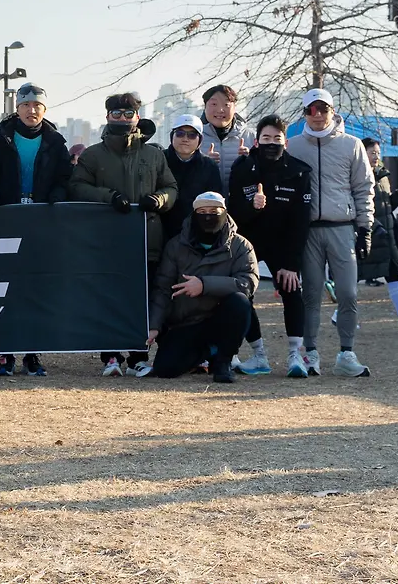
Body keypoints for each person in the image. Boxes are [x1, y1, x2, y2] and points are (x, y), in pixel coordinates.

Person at [71, 92, 178, 377]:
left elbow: (171, 188)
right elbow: (77, 187)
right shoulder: (93, 155)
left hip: (147, 240)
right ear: (107, 116)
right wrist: (108, 197)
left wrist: (159, 199)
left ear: (137, 117)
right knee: (109, 299)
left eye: (128, 114)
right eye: (116, 114)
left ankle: (139, 356)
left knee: (143, 300)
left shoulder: (153, 154)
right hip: (108, 240)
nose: (122, 118)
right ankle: (110, 356)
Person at [286, 88, 375, 377]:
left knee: (348, 293)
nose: (317, 115)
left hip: (342, 227)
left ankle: (346, 353)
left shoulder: (352, 145)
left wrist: (365, 227)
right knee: (311, 294)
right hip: (308, 231)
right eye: (311, 110)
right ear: (304, 114)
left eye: (323, 109)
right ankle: (310, 352)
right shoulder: (292, 146)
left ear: (332, 111)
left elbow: (364, 188)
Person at [0, 84, 69, 377]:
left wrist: (57, 195)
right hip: (7, 219)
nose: (31, 110)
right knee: (6, 289)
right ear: (17, 109)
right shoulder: (2, 140)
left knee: (35, 288)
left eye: (37, 106)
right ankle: (5, 354)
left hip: (40, 220)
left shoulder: (56, 142)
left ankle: (33, 354)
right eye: (26, 105)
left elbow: (64, 177)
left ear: (44, 110)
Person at [226, 114, 313, 377]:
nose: (271, 143)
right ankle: (258, 354)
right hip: (249, 242)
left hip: (283, 244)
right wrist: (252, 206)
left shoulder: (299, 171)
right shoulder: (243, 167)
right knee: (242, 295)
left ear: (286, 142)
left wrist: (291, 264)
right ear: (257, 141)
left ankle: (295, 355)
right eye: (266, 138)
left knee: (291, 289)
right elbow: (233, 213)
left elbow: (301, 221)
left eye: (277, 138)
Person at [147, 192, 258, 383]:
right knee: (165, 369)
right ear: (194, 215)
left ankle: (223, 360)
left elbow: (247, 283)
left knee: (240, 302)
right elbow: (162, 288)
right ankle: (209, 352)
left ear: (224, 213)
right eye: (202, 212)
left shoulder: (241, 246)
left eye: (214, 212)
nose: (208, 217)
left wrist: (204, 285)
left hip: (220, 319)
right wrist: (154, 326)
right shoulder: (176, 246)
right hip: (186, 322)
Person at [356, 138, 398, 335]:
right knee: (354, 277)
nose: (376, 156)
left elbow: (386, 206)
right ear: (361, 153)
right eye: (372, 152)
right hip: (368, 233)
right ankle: (342, 315)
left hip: (387, 234)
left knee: (392, 274)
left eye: (378, 153)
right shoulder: (356, 175)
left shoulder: (383, 176)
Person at [161, 113, 222, 244]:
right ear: (172, 136)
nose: (185, 139)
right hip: (161, 230)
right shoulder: (159, 160)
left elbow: (215, 202)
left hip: (195, 233)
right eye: (180, 133)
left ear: (199, 140)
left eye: (192, 135)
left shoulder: (209, 166)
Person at [200, 84, 254, 191]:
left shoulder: (251, 136)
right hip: (205, 201)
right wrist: (203, 163)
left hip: (241, 200)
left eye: (226, 104)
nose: (220, 110)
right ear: (205, 107)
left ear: (234, 108)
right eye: (214, 104)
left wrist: (251, 160)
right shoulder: (193, 137)